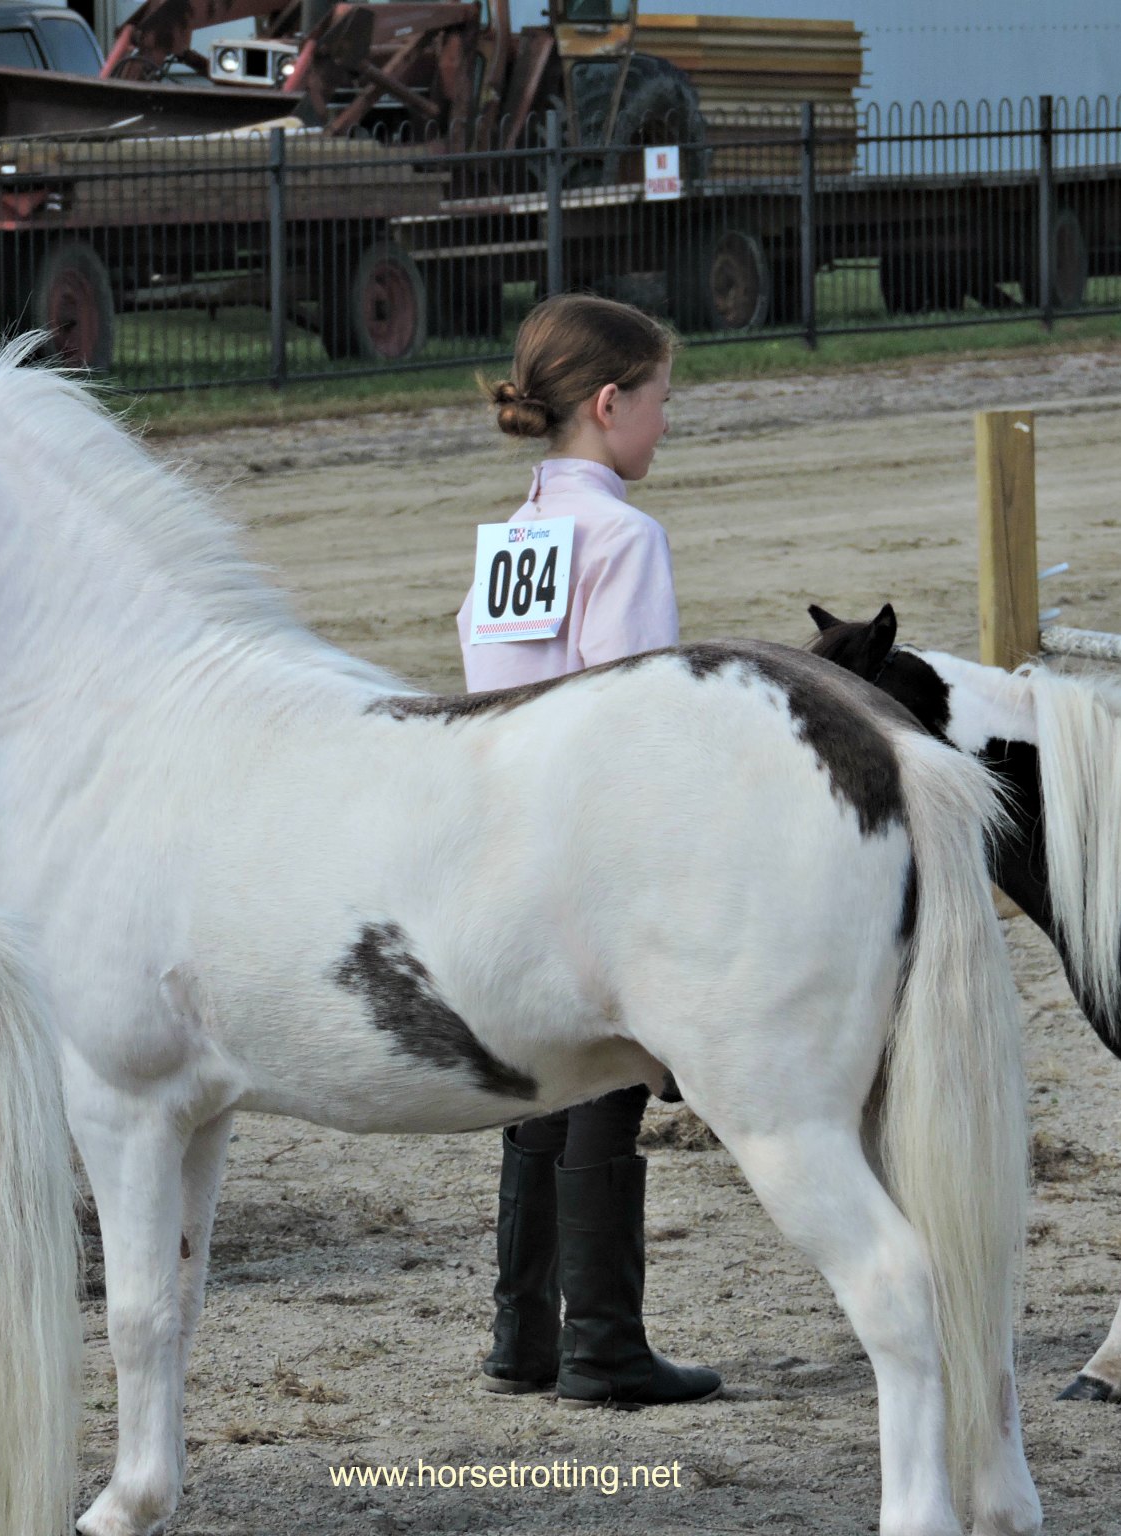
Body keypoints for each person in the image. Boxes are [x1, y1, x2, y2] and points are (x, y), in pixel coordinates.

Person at [456, 293, 722, 1407]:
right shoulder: (623, 535)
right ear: (608, 404)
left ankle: (523, 1338)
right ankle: (604, 1343)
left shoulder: (517, 536)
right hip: (589, 853)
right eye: (660, 402)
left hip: (501, 845)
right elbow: (629, 724)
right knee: (608, 1084)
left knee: (536, 1093)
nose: (666, 424)